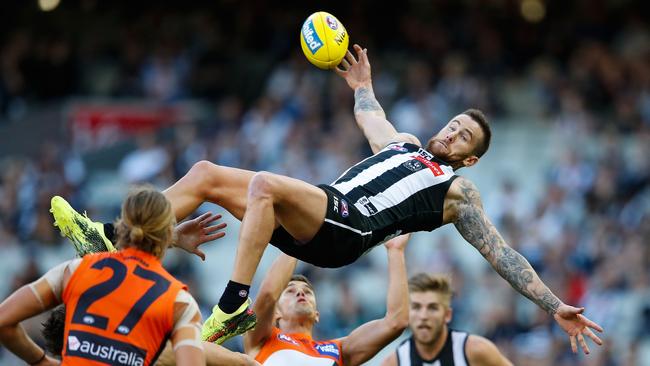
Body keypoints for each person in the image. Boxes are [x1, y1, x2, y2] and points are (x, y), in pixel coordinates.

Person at [50, 44, 603, 353]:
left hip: (349, 229)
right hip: (321, 211)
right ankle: (114, 242)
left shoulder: (458, 189)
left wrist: (555, 306)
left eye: (464, 137)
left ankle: (234, 303)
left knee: (265, 183)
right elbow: (373, 116)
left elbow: (501, 254)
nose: (453, 133)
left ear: (472, 157)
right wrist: (361, 84)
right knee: (205, 174)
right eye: (455, 125)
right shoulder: (408, 146)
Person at [0, 187, 205, 366]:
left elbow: (3, 321)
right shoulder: (180, 302)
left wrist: (40, 361)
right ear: (169, 235)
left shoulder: (74, 271)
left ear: (120, 226)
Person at [244, 234, 409, 365]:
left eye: (307, 292)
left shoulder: (338, 350)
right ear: (276, 313)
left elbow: (396, 322)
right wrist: (297, 237)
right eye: (290, 291)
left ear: (317, 314)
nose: (301, 294)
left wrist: (396, 251)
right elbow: (268, 295)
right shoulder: (262, 339)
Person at [382, 273, 512, 366]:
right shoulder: (395, 362)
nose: (423, 316)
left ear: (447, 315)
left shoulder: (476, 350)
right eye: (416, 307)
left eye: (432, 308)